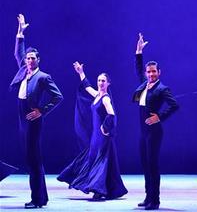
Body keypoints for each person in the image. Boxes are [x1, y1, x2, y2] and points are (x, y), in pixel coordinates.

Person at [9, 14, 63, 209]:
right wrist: (20, 32)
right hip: (21, 114)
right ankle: (42, 198)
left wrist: (42, 110)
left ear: (38, 60)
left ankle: (37, 199)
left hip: (32, 116)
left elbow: (58, 96)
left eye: (32, 58)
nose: (29, 60)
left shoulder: (43, 77)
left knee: (33, 159)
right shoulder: (23, 70)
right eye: (28, 58)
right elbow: (18, 53)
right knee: (30, 158)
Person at [57, 62, 128, 200]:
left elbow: (112, 114)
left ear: (108, 83)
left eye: (103, 81)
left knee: (101, 162)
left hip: (102, 136)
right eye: (99, 80)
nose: (100, 83)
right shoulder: (97, 95)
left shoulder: (106, 98)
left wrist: (105, 127)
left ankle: (98, 189)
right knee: (93, 159)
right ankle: (103, 188)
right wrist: (81, 73)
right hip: (95, 136)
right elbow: (87, 86)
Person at [133, 33, 179, 210]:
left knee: (153, 165)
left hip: (154, 132)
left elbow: (174, 105)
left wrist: (159, 116)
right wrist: (138, 52)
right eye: (149, 71)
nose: (151, 74)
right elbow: (138, 69)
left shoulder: (162, 88)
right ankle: (148, 196)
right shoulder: (144, 84)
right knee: (145, 164)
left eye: (154, 71)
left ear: (159, 73)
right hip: (143, 132)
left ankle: (155, 200)